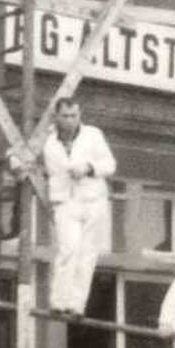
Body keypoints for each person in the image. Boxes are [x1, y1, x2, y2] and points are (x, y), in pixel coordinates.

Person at [42, 97, 116, 317]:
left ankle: (76, 305)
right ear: (56, 117)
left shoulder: (93, 135)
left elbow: (110, 164)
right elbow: (23, 151)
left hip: (93, 199)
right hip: (65, 201)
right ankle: (59, 301)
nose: (70, 121)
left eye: (74, 115)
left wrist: (88, 168)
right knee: (68, 249)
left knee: (87, 254)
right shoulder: (47, 139)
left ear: (79, 115)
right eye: (65, 116)